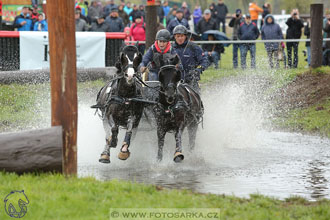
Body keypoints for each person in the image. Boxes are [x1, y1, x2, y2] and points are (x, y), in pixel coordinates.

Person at [172, 25, 208, 93]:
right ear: (174, 37)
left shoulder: (193, 47)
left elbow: (204, 60)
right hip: (175, 80)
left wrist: (198, 70)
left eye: (182, 36)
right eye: (178, 36)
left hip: (191, 79)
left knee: (196, 99)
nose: (180, 38)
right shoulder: (171, 49)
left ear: (185, 36)